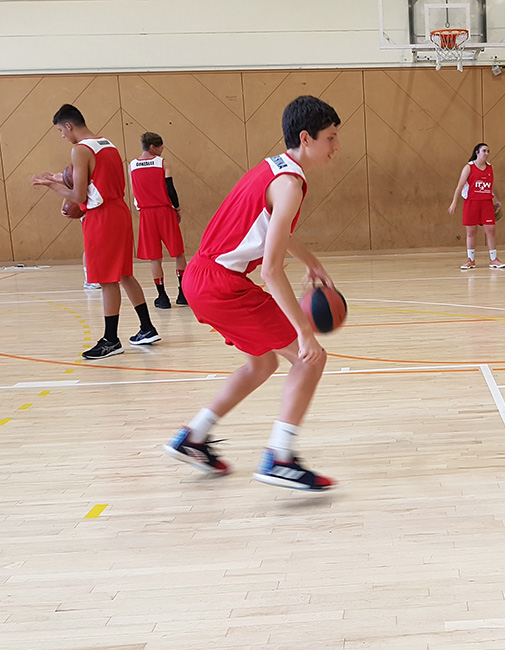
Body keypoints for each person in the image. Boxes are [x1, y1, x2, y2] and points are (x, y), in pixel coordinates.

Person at [163, 95, 341, 491]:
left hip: (200, 277)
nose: (336, 147)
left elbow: (271, 228)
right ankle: (281, 458)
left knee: (262, 364)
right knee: (310, 359)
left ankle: (194, 436)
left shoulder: (275, 168)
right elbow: (272, 270)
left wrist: (311, 261)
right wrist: (304, 333)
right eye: (330, 138)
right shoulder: (291, 185)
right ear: (306, 138)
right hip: (223, 285)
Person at [32, 104, 160, 359]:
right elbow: (95, 177)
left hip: (101, 218)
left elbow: (79, 195)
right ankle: (147, 327)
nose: (62, 136)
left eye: (60, 130)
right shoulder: (106, 143)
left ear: (69, 125)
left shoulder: (79, 149)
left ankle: (111, 339)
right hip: (119, 211)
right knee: (124, 274)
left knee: (106, 280)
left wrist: (51, 186)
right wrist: (60, 178)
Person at [129, 132, 187, 309]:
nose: (162, 150)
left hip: (146, 214)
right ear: (153, 147)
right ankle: (183, 293)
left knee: (155, 258)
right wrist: (176, 209)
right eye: (161, 147)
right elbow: (170, 189)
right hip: (164, 211)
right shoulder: (162, 163)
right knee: (178, 253)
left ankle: (162, 297)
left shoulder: (132, 165)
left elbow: (134, 192)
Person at [448, 143, 505, 270]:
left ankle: (494, 259)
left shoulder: (490, 168)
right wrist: (454, 202)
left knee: (491, 230)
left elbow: (492, 185)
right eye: (484, 151)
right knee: (471, 232)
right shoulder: (469, 168)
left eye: (488, 151)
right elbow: (459, 186)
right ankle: (470, 260)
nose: (487, 153)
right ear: (477, 152)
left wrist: (498, 199)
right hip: (472, 202)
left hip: (486, 203)